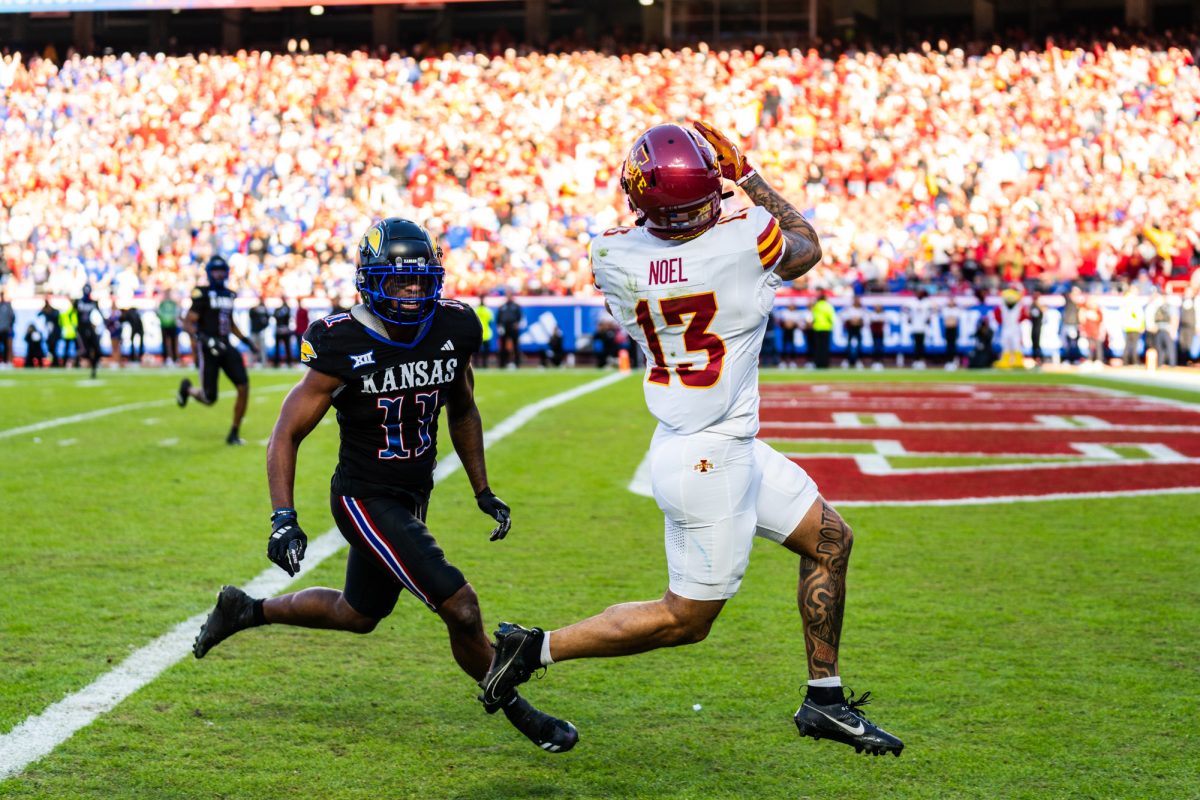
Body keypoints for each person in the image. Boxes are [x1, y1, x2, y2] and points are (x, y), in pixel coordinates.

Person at [477, 122, 904, 757]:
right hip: (710, 457)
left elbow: (657, 242)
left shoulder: (611, 254)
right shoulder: (739, 238)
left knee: (831, 540)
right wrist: (747, 173)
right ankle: (535, 647)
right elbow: (806, 244)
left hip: (714, 441)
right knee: (685, 620)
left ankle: (826, 702)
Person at [191, 218, 578, 754]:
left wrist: (482, 489)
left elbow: (462, 408)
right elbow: (286, 431)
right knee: (461, 607)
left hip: (412, 495)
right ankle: (520, 711)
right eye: (399, 281)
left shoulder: (454, 327)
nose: (412, 291)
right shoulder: (341, 340)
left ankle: (245, 609)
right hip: (362, 497)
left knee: (358, 614)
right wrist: (283, 516)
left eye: (421, 280)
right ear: (370, 280)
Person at [177, 256, 258, 445]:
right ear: (209, 273)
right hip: (208, 349)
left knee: (243, 386)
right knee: (209, 397)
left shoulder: (230, 294)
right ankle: (188, 389)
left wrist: (248, 342)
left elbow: (230, 323)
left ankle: (234, 433)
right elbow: (188, 322)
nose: (219, 274)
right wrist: (204, 339)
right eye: (216, 271)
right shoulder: (202, 293)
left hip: (225, 345)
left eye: (222, 270)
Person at [74, 284, 103, 378]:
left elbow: (100, 314)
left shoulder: (93, 302)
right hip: (81, 329)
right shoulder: (78, 302)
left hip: (90, 328)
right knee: (84, 350)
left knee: (97, 349)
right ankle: (78, 364)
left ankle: (93, 367)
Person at [495, 289, 522, 369]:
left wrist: (517, 323)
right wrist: (499, 325)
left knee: (516, 345)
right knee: (503, 346)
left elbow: (520, 316)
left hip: (512, 327)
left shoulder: (516, 306)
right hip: (504, 327)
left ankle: (517, 363)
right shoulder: (502, 306)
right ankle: (502, 363)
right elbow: (498, 317)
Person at [1119, 285, 1145, 366]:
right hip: (1134, 325)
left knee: (1128, 344)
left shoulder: (1125, 299)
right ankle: (1134, 361)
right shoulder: (1133, 300)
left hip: (1127, 326)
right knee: (1134, 345)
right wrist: (1141, 325)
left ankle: (1125, 361)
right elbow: (1137, 314)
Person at [808, 291, 834, 369]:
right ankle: (825, 363)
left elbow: (813, 316)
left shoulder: (816, 306)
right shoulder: (828, 306)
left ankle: (818, 363)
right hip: (826, 328)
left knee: (818, 347)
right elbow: (831, 317)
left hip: (817, 328)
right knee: (825, 347)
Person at [907, 290, 932, 369]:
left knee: (921, 345)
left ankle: (921, 361)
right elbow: (909, 316)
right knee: (916, 345)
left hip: (923, 327)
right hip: (915, 327)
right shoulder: (913, 303)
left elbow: (929, 316)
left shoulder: (926, 303)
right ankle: (916, 360)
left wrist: (927, 320)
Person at [1079, 296, 1105, 365]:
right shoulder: (1085, 310)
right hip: (1089, 332)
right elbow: (1082, 321)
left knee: (1098, 346)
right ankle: (1090, 360)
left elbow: (1100, 320)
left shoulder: (1098, 311)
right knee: (1090, 346)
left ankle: (1099, 360)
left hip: (1097, 332)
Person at [842, 295, 865, 368]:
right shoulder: (849, 309)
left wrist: (858, 321)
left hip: (858, 328)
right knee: (849, 344)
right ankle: (847, 360)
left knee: (859, 345)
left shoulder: (862, 309)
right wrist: (852, 321)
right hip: (850, 328)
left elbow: (864, 319)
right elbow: (844, 317)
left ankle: (858, 360)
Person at [248, 295, 271, 368]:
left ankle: (264, 364)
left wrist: (263, 326)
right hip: (254, 331)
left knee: (263, 348)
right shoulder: (254, 309)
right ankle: (250, 364)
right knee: (252, 347)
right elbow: (251, 314)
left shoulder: (264, 310)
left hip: (261, 331)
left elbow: (267, 320)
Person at [157, 291, 180, 366]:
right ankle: (166, 358)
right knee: (165, 342)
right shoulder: (162, 303)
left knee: (173, 342)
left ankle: (174, 358)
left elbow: (177, 311)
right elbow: (158, 312)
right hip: (164, 324)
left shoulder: (173, 303)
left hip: (172, 324)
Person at [1061, 286, 1082, 364]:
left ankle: (1075, 359)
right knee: (1067, 344)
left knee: (1075, 344)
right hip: (1068, 324)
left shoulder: (1079, 303)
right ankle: (1068, 359)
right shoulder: (1068, 301)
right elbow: (1063, 293)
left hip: (1075, 325)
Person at [39, 296, 62, 368]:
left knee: (54, 348)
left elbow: (56, 316)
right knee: (50, 349)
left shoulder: (53, 311)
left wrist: (47, 311)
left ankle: (55, 363)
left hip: (54, 334)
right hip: (49, 334)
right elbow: (38, 315)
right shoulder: (45, 312)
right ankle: (53, 362)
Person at [778, 301, 802, 367]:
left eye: (793, 305)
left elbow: (799, 323)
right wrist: (786, 324)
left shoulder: (797, 313)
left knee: (792, 347)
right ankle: (783, 362)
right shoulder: (784, 312)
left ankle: (792, 362)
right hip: (785, 331)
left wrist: (792, 324)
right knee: (784, 346)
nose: (791, 306)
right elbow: (780, 322)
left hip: (793, 331)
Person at [272, 297, 294, 368]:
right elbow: (275, 316)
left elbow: (288, 317)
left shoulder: (287, 309)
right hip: (279, 329)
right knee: (278, 347)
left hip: (285, 330)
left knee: (287, 347)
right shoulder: (278, 309)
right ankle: (277, 362)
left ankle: (289, 362)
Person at [474, 292, 494, 368]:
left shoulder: (476, 310)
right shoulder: (487, 311)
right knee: (484, 351)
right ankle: (483, 364)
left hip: (480, 334)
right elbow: (491, 322)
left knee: (478, 351)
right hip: (485, 334)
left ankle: (479, 364)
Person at [1178, 287, 1196, 366]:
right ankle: (1182, 361)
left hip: (1190, 326)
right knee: (1182, 344)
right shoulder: (1182, 301)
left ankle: (1188, 361)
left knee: (1189, 345)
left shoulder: (1195, 301)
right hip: (1182, 326)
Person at [941, 298, 961, 370]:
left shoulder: (956, 310)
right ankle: (949, 361)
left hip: (953, 329)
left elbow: (954, 319)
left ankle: (953, 361)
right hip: (948, 329)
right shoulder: (945, 309)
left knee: (953, 346)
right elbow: (947, 319)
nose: (951, 303)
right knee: (948, 346)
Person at [1028, 292, 1045, 364]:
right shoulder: (1032, 306)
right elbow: (1029, 314)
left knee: (1037, 342)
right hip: (1033, 326)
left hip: (1038, 326)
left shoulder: (1039, 306)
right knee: (1033, 341)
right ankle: (1035, 357)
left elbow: (1043, 311)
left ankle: (1039, 358)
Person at [869, 304, 887, 368]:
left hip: (881, 333)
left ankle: (880, 361)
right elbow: (871, 321)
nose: (877, 308)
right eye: (876, 307)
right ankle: (875, 361)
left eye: (879, 307)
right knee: (875, 347)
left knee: (880, 347)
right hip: (874, 333)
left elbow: (883, 321)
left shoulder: (883, 314)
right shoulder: (872, 314)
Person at [0, 290, 14, 368]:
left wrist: (10, 327)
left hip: (6, 329)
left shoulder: (8, 306)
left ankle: (6, 361)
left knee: (6, 346)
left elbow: (12, 317)